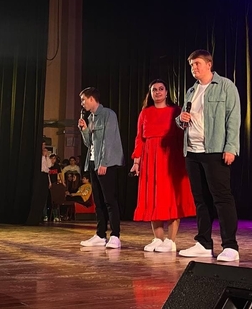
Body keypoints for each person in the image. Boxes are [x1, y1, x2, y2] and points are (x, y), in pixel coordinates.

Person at [176, 49, 241, 262]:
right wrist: (181, 119)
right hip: (192, 152)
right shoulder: (191, 90)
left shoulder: (225, 86)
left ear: (209, 64)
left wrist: (231, 147)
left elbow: (233, 119)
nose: (194, 68)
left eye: (197, 63)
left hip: (214, 150)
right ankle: (204, 244)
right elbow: (183, 119)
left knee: (221, 198)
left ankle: (230, 246)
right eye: (191, 65)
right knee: (200, 199)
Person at [129, 79, 196, 253]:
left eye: (161, 89)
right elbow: (139, 138)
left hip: (171, 159)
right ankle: (158, 239)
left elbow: (184, 134)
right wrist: (136, 161)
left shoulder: (176, 111)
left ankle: (171, 241)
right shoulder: (145, 113)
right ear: (150, 93)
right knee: (153, 198)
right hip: (150, 160)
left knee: (171, 198)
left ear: (166, 92)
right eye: (154, 90)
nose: (158, 92)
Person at [78, 87, 124, 249]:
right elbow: (89, 144)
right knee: (98, 202)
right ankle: (100, 234)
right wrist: (84, 130)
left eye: (83, 100)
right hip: (92, 162)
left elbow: (108, 141)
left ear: (92, 99)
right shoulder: (90, 118)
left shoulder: (108, 114)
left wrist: (104, 163)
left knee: (109, 200)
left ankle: (115, 235)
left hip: (106, 163)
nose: (82, 103)